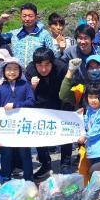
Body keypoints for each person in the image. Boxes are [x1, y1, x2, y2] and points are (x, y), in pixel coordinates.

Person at [26, 47, 70, 176]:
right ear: (35, 64)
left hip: (60, 102)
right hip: (40, 104)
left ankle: (66, 163)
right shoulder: (30, 70)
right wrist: (31, 86)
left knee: (65, 133)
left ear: (52, 62)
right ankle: (45, 164)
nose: (43, 69)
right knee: (39, 135)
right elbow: (25, 94)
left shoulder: (62, 67)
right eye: (40, 65)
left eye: (47, 65)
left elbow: (71, 88)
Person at [0, 57, 36, 181]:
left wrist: (15, 105)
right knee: (6, 154)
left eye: (15, 69)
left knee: (25, 154)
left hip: (22, 128)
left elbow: (31, 102)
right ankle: (5, 180)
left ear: (20, 71)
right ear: (4, 71)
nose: (12, 72)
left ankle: (29, 180)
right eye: (9, 69)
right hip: (6, 129)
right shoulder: (0, 89)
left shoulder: (25, 86)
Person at [2, 3, 53, 68]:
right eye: (24, 16)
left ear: (36, 17)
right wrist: (0, 22)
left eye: (30, 16)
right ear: (20, 17)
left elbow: (52, 55)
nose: (27, 19)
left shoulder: (44, 34)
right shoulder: (14, 34)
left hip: (37, 75)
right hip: (17, 74)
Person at [78, 83, 100, 168]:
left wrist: (85, 137)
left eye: (96, 97)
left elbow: (96, 130)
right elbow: (86, 124)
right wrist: (80, 116)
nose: (93, 100)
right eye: (90, 97)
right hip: (92, 150)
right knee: (93, 175)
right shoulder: (90, 109)